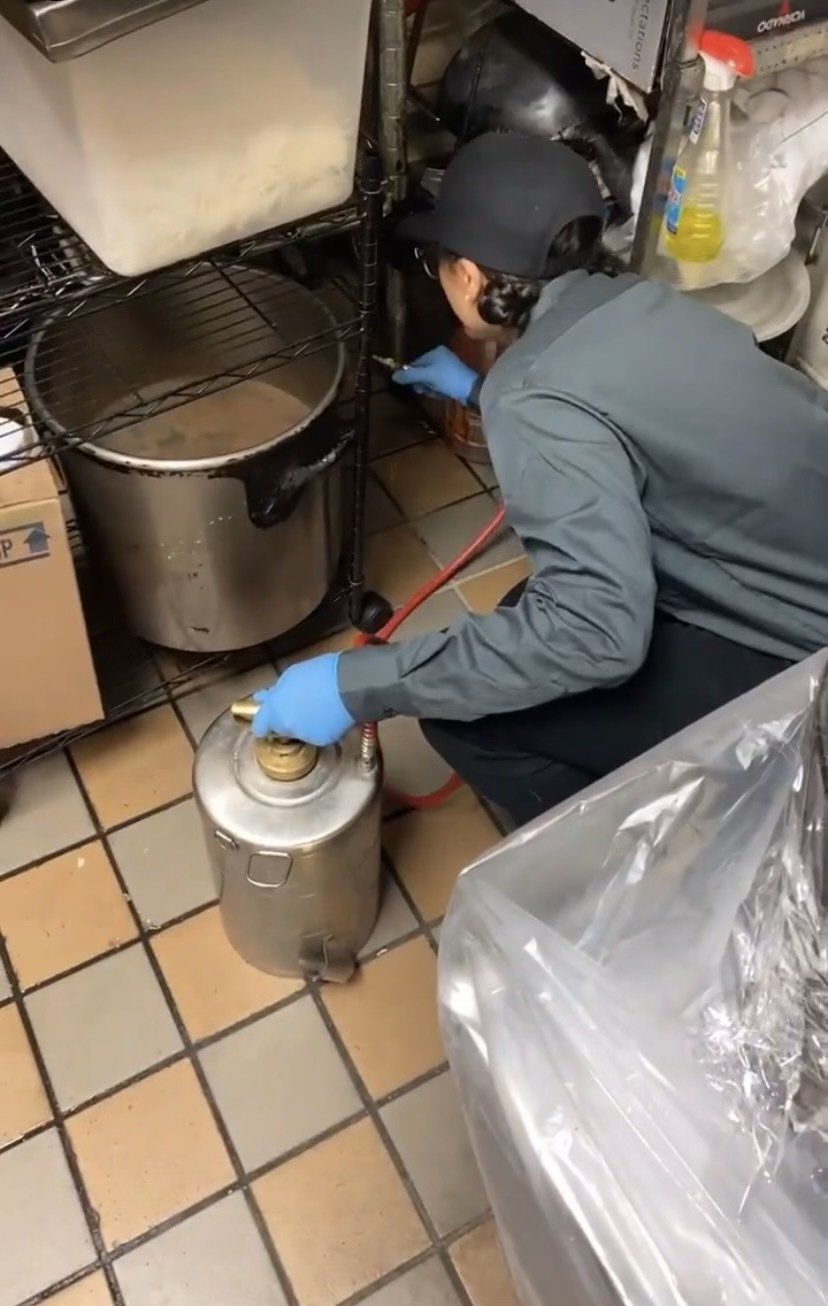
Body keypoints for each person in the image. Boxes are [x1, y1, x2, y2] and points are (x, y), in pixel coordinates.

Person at [253, 132, 828, 828]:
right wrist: (483, 394)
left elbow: (595, 634)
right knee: (532, 606)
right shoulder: (648, 304)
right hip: (795, 573)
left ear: (468, 277)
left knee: (469, 718)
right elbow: (646, 422)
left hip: (806, 668)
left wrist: (359, 684)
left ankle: (635, 863)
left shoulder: (532, 399)